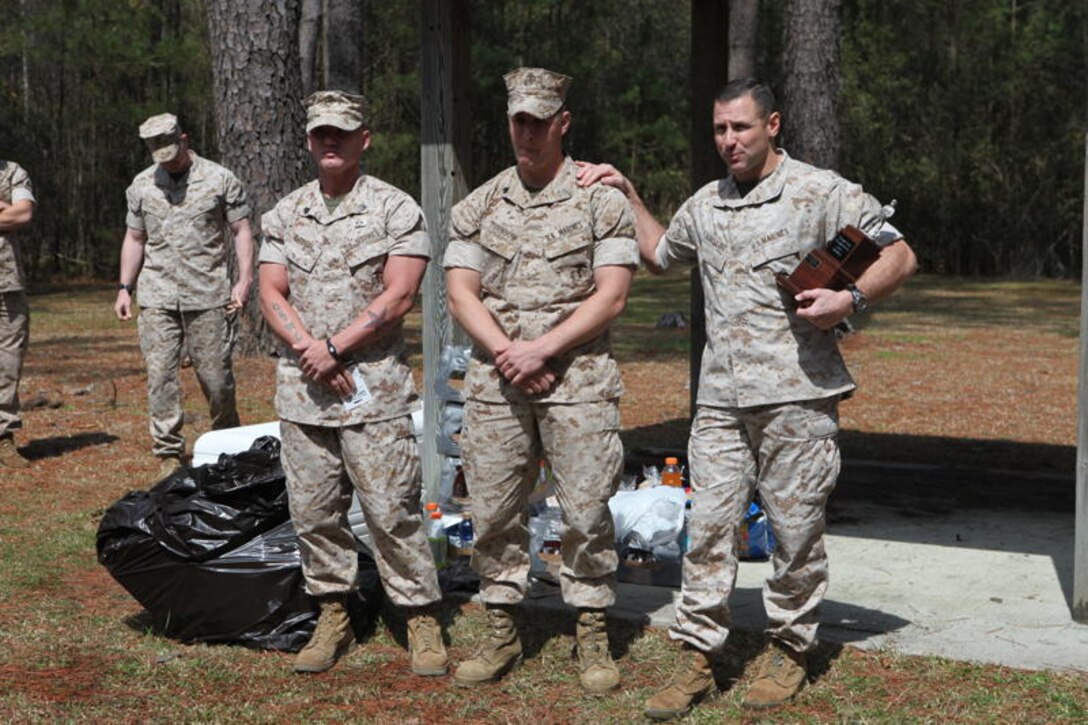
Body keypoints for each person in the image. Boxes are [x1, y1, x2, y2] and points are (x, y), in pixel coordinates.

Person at [577, 78, 917, 718]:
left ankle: (789, 648)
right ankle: (697, 656)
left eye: (740, 128)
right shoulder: (706, 203)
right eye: (719, 130)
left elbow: (900, 253)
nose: (729, 141)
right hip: (720, 403)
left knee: (794, 531)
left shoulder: (821, 191)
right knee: (705, 529)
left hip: (797, 397)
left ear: (773, 125)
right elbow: (659, 253)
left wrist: (850, 300)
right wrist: (628, 192)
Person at [443, 67, 638, 693]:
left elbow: (610, 298)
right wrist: (507, 351)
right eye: (517, 120)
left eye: (538, 120)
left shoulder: (600, 202)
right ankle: (502, 626)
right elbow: (459, 292)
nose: (526, 132)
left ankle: (590, 630)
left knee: (585, 509)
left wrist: (543, 348)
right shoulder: (479, 204)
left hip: (578, 383)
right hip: (497, 384)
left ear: (562, 122)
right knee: (495, 508)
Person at [258, 90, 446, 676]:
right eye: (320, 134)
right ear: (309, 141)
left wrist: (334, 347)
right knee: (314, 513)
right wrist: (309, 351)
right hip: (303, 394)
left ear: (364, 139)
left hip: (374, 394)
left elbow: (399, 295)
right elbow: (270, 290)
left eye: (341, 132)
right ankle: (333, 611)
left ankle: (419, 615)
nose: (330, 142)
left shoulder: (395, 209)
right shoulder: (285, 213)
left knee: (392, 510)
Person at [114, 113, 252, 478]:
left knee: (216, 379)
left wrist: (244, 279)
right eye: (159, 154)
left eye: (172, 152)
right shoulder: (142, 185)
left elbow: (240, 230)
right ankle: (169, 453)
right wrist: (125, 287)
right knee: (160, 376)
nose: (168, 160)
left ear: (185, 139)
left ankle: (227, 441)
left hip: (209, 294)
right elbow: (135, 238)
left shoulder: (220, 179)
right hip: (157, 295)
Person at [0, 160, 36, 468]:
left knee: (8, 363)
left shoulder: (13, 172)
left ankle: (3, 438)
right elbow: (11, 214)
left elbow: (23, 213)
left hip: (6, 285)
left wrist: (11, 211)